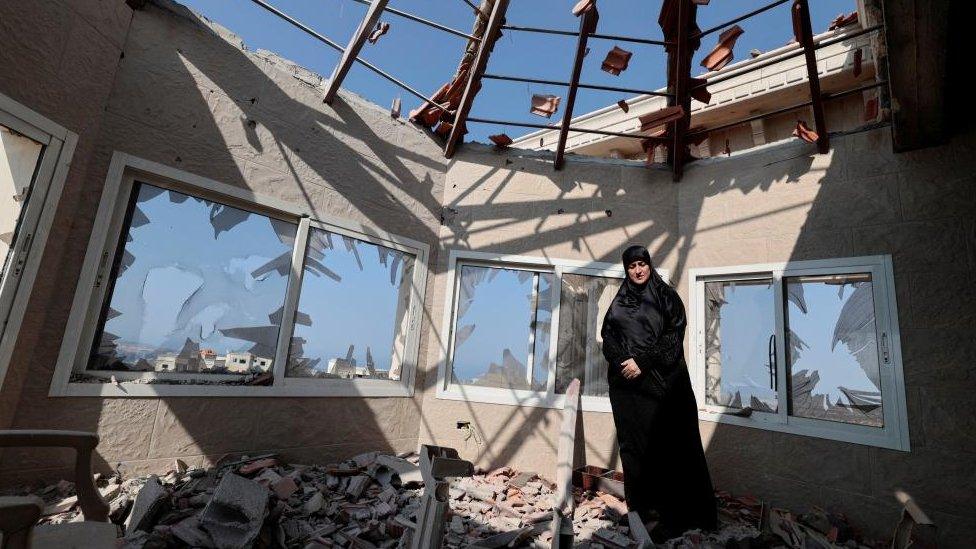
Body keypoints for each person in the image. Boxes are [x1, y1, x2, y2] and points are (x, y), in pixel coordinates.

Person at [601, 244, 717, 541]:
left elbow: (673, 337)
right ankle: (641, 512)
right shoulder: (620, 299)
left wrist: (642, 361)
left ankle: (674, 518)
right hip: (628, 389)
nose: (637, 271)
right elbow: (608, 334)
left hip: (662, 386)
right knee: (634, 449)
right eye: (631, 266)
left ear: (650, 265)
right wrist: (621, 362)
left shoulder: (666, 297)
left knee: (668, 449)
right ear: (625, 269)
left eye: (642, 264)